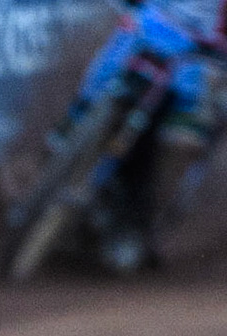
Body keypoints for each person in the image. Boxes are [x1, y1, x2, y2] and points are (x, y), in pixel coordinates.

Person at [56, 0, 225, 271]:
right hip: (146, 37)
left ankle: (140, 224)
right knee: (99, 81)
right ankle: (52, 164)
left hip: (199, 65)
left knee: (184, 141)